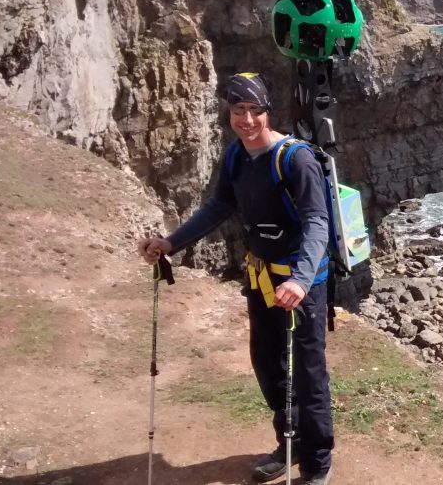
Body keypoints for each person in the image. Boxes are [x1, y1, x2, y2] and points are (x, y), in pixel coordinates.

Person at [137, 72, 334, 485]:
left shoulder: (296, 159)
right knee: (269, 366)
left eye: (254, 110)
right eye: (238, 110)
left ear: (268, 111)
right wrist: (172, 242)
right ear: (229, 113)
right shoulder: (235, 156)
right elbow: (219, 206)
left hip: (301, 287)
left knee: (309, 374)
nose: (247, 120)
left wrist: (299, 281)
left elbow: (318, 221)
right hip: (262, 278)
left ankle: (317, 463)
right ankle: (289, 444)